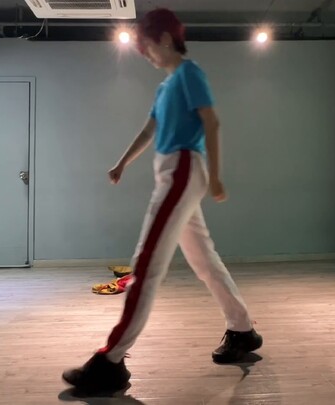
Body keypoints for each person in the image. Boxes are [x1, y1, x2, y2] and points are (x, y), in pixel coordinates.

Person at [62, 8, 262, 393]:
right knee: (204, 260)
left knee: (146, 265)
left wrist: (215, 176)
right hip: (173, 172)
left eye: (148, 47)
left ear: (166, 39)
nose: (147, 55)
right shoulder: (163, 88)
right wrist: (122, 163)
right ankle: (242, 330)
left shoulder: (190, 74)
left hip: (184, 168)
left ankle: (110, 361)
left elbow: (211, 122)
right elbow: (149, 130)